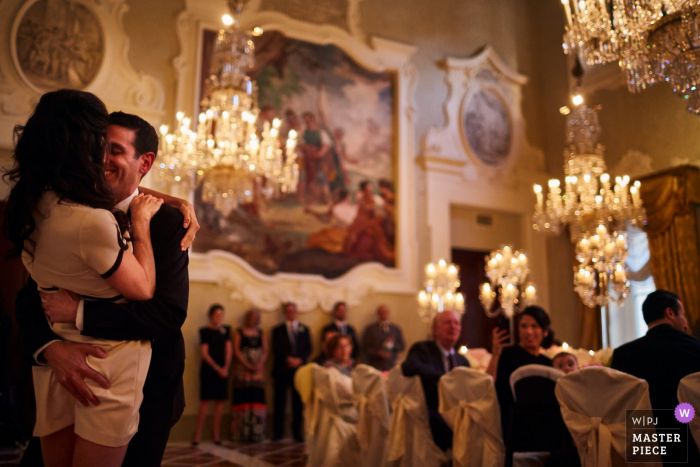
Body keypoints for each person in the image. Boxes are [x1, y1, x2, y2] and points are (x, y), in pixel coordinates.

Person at [15, 108, 196, 467]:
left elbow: (167, 313)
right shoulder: (63, 209)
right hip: (62, 379)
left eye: (114, 150)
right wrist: (50, 348)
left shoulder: (168, 223)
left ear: (145, 161)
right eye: (96, 148)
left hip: (146, 390)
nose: (100, 159)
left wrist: (80, 313)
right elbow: (30, 295)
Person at [611, 290, 700, 464]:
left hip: (640, 444)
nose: (687, 324)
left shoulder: (622, 354)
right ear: (670, 313)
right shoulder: (695, 348)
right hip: (688, 442)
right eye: (683, 315)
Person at [401, 310, 469, 452]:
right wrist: (444, 379)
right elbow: (408, 367)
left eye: (456, 323)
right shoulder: (423, 349)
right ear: (434, 330)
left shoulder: (462, 360)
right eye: (447, 322)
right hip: (433, 412)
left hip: (460, 413)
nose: (453, 326)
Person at [490, 306, 553, 443]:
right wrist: (495, 354)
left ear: (545, 331)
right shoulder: (508, 354)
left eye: (534, 326)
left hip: (545, 420)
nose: (529, 332)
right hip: (516, 421)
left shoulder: (548, 362)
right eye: (524, 326)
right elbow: (490, 386)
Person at [271, 302, 311, 441]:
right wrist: (288, 359)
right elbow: (276, 349)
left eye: (293, 311)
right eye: (288, 311)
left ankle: (297, 433)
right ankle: (278, 433)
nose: (291, 313)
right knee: (279, 402)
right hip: (282, 369)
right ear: (285, 313)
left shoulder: (304, 329)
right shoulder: (277, 330)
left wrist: (300, 360)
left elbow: (308, 348)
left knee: (297, 404)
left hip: (299, 371)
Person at [192, 304, 232, 446]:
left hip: (223, 370)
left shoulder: (226, 330)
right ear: (211, 315)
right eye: (216, 314)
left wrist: (225, 368)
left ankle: (216, 434)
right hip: (209, 370)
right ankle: (197, 435)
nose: (219, 317)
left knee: (220, 402)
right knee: (205, 401)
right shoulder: (204, 331)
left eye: (221, 314)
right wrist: (217, 368)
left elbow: (229, 350)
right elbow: (204, 353)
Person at [231, 308, 268, 443]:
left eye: (255, 317)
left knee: (257, 400)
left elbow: (265, 350)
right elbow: (236, 350)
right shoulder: (239, 332)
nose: (253, 319)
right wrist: (247, 364)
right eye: (251, 317)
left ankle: (257, 433)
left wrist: (259, 364)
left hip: (257, 374)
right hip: (243, 373)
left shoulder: (261, 333)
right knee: (243, 399)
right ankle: (242, 433)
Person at [362, 304, 405, 371]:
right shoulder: (370, 329)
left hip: (392, 365)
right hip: (375, 365)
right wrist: (378, 353)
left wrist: (393, 344)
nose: (384, 313)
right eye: (382, 312)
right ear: (378, 314)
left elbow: (402, 346)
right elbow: (365, 348)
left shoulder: (395, 329)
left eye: (385, 311)